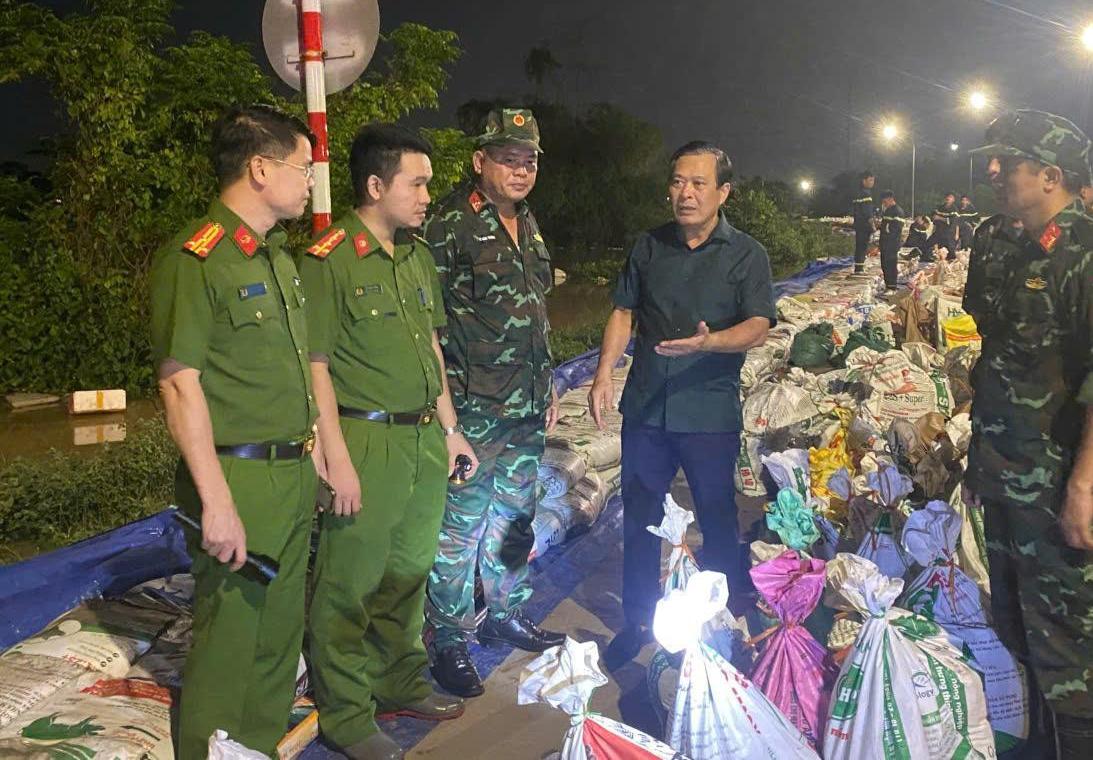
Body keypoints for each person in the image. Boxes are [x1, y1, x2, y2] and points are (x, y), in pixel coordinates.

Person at [964, 109, 1093, 759]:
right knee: (1019, 630)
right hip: (1005, 475)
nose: (993, 172)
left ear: (1049, 175)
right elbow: (995, 350)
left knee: (1076, 650)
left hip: (1055, 489)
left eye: (1006, 162)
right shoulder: (1011, 246)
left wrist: (1083, 486)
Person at [301, 125, 477, 759]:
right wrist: (334, 457)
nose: (429, 195)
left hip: (423, 440)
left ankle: (399, 680)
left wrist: (452, 430)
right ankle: (347, 712)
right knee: (349, 583)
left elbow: (430, 348)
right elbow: (313, 363)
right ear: (376, 186)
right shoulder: (328, 259)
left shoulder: (416, 256)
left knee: (409, 571)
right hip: (364, 439)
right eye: (418, 183)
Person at [149, 106, 320, 759]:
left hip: (290, 474)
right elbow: (178, 384)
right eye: (301, 168)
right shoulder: (198, 260)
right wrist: (216, 500)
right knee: (229, 646)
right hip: (237, 480)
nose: (309, 181)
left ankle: (254, 749)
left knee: (277, 641)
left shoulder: (276, 260)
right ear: (259, 168)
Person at [590, 141, 775, 670]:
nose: (685, 193)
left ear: (723, 192)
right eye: (677, 181)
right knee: (641, 519)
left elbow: (759, 325)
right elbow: (623, 312)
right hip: (647, 408)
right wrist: (604, 373)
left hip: (708, 412)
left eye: (698, 183)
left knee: (717, 519)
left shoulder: (746, 254)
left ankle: (723, 624)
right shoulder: (648, 246)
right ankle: (638, 622)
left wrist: (709, 343)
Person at [425, 109, 564, 699]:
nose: (521, 170)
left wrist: (549, 380)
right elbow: (426, 327)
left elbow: (534, 309)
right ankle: (450, 637)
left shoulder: (527, 222)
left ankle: (505, 612)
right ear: (479, 161)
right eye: (508, 158)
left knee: (514, 518)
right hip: (473, 408)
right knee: (459, 527)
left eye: (529, 159)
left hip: (526, 403)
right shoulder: (448, 225)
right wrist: (445, 416)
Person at [877, 190, 908, 289]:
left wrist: (885, 230)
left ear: (890, 199)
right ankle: (888, 286)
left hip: (892, 244)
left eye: (885, 202)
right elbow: (885, 226)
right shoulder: (888, 211)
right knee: (885, 266)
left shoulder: (898, 211)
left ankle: (892, 286)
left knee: (890, 266)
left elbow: (895, 229)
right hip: (885, 243)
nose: (884, 204)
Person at [851, 170, 877, 274]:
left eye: (873, 180)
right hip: (864, 225)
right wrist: (873, 226)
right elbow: (868, 212)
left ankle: (858, 268)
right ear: (864, 180)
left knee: (859, 246)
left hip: (858, 223)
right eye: (870, 180)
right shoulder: (866, 193)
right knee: (863, 247)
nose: (872, 182)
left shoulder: (857, 192)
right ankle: (859, 269)